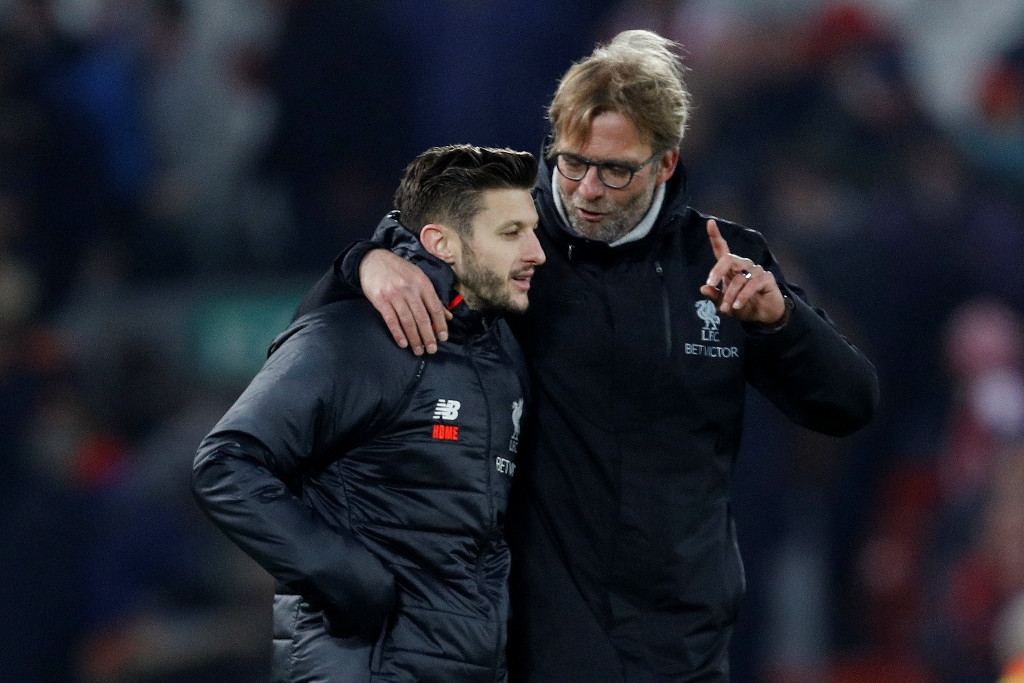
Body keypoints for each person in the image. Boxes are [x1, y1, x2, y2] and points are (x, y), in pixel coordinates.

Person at [332, 30, 880, 683]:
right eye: (577, 161)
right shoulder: (521, 245)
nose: (592, 184)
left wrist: (784, 321)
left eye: (618, 164)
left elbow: (845, 396)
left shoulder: (735, 248)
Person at [191, 144, 546, 683]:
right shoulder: (356, 337)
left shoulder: (502, 355)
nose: (536, 251)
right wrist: (348, 579)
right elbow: (225, 464)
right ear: (441, 243)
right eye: (510, 232)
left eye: (533, 229)